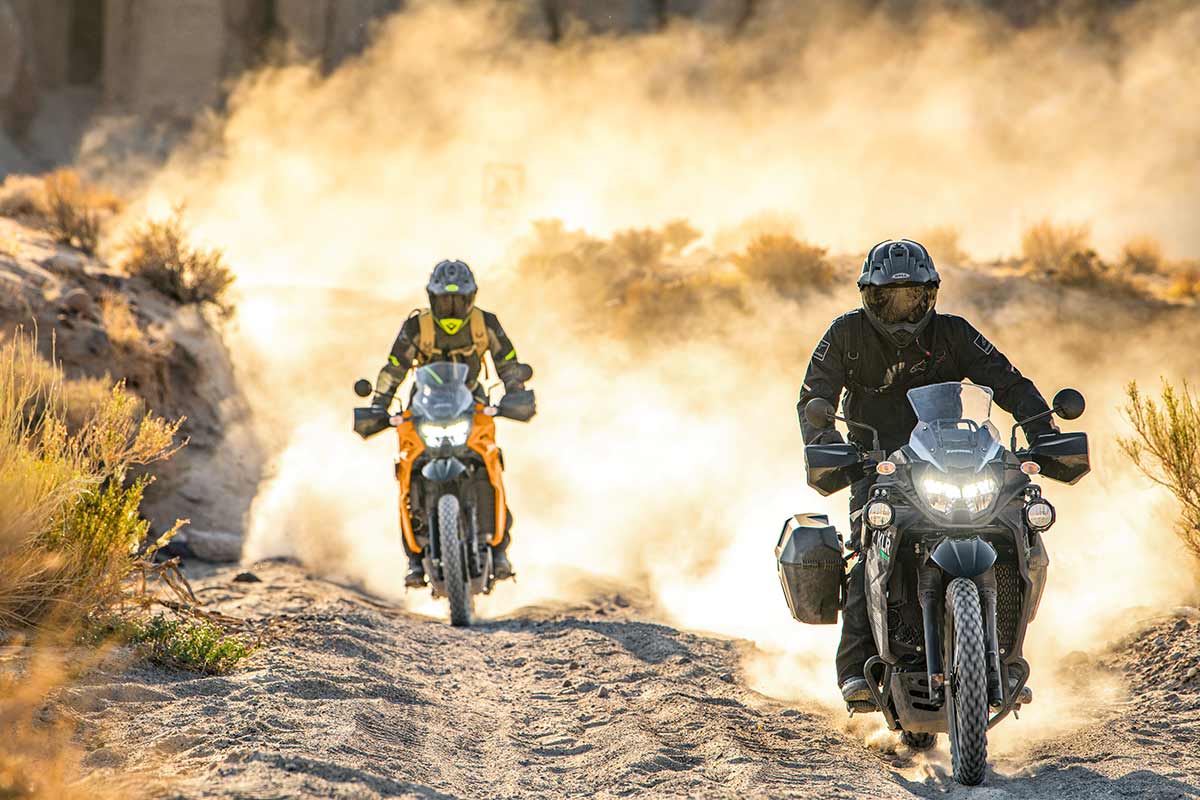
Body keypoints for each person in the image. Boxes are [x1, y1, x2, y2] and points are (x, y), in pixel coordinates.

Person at [796, 239, 1056, 708]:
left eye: (912, 296)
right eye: (889, 297)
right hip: (876, 463)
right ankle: (856, 668)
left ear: (930, 294)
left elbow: (1008, 381)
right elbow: (814, 395)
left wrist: (1043, 430)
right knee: (868, 546)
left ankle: (1005, 657)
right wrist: (826, 448)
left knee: (1018, 530)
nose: (901, 308)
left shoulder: (954, 333)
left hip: (952, 458)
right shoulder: (845, 335)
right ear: (868, 296)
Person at [371, 259, 531, 587]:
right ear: (432, 298)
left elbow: (507, 361)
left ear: (472, 297)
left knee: (490, 466)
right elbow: (394, 367)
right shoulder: (416, 327)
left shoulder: (486, 323)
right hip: (423, 407)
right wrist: (379, 404)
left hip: (473, 403)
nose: (452, 306)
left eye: (459, 299)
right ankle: (414, 560)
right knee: (406, 471)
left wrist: (516, 390)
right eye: (445, 299)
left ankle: (500, 550)